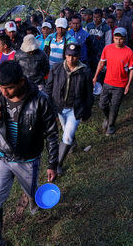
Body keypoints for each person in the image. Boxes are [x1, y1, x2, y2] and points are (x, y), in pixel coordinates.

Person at [0, 61, 58, 245]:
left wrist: (52, 163)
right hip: (1, 153)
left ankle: (33, 201)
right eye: (1, 87)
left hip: (27, 158)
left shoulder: (41, 100)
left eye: (9, 88)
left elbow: (51, 133)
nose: (4, 92)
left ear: (22, 81)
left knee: (31, 190)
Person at [45, 43, 93, 174]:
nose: (71, 59)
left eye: (74, 56)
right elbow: (48, 88)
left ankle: (57, 164)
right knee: (66, 130)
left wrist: (87, 111)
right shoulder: (56, 68)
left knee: (66, 137)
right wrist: (48, 106)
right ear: (65, 55)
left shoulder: (85, 71)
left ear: (79, 56)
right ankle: (73, 143)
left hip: (75, 109)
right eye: (69, 56)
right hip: (59, 107)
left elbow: (89, 94)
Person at [92, 27, 133, 135]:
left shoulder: (129, 52)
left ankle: (111, 125)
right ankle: (108, 117)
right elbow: (101, 63)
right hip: (107, 82)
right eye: (116, 38)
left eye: (120, 39)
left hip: (120, 85)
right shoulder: (107, 49)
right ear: (113, 38)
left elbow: (131, 70)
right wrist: (95, 76)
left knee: (115, 106)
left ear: (124, 39)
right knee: (102, 104)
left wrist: (128, 85)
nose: (118, 41)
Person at [86, 9, 112, 73]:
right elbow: (85, 39)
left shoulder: (107, 28)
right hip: (90, 53)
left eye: (98, 17)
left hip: (100, 54)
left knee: (99, 72)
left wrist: (105, 55)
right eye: (94, 17)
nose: (96, 19)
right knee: (90, 71)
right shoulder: (89, 26)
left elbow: (108, 43)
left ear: (102, 17)